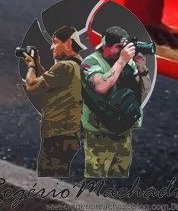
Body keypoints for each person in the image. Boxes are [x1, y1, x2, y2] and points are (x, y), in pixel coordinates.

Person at [80, 25, 148, 178]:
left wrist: (142, 69)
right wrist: (122, 61)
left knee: (120, 177)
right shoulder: (90, 63)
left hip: (123, 130)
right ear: (105, 46)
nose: (122, 51)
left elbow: (144, 89)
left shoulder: (126, 62)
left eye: (124, 47)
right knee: (96, 179)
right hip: (100, 133)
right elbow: (101, 87)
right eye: (118, 47)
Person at [24, 25, 82, 177]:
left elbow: (32, 86)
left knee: (50, 177)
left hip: (58, 134)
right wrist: (37, 64)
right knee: (57, 174)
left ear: (68, 43)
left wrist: (30, 66)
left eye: (55, 42)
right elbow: (48, 85)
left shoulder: (65, 67)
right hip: (69, 133)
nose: (51, 47)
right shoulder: (76, 65)